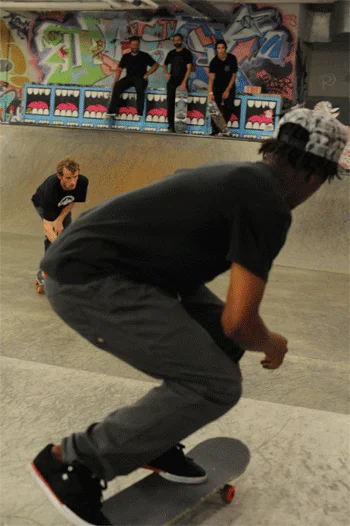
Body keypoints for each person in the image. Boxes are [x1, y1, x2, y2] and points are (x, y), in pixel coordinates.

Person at [30, 104, 347, 526]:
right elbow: (241, 320)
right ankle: (73, 463)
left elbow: (229, 328)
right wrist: (273, 342)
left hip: (128, 268)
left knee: (222, 342)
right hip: (88, 279)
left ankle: (150, 441)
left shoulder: (237, 178)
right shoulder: (267, 202)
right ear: (314, 175)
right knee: (215, 384)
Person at [31, 157, 89, 288]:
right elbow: (47, 226)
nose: (73, 182)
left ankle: (63, 268)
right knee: (52, 237)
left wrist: (60, 219)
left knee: (65, 232)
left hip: (63, 205)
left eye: (75, 177)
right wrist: (60, 245)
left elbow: (72, 200)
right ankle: (46, 271)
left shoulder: (82, 182)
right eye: (68, 178)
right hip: (44, 204)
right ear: (60, 176)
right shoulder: (52, 188)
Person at [106, 36, 159, 118]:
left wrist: (147, 74)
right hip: (129, 77)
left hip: (141, 78)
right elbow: (119, 70)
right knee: (117, 86)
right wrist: (115, 81)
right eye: (133, 44)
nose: (135, 46)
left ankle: (140, 112)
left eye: (136, 44)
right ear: (130, 45)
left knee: (139, 86)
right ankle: (111, 111)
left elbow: (155, 65)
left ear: (139, 45)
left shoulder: (144, 55)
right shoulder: (126, 56)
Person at [163, 33, 193, 133]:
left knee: (182, 104)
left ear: (182, 40)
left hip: (182, 81)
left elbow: (189, 69)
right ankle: (171, 125)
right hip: (172, 81)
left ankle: (181, 127)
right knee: (170, 103)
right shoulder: (171, 53)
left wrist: (184, 82)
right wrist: (166, 73)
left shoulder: (187, 53)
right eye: (175, 40)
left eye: (178, 40)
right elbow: (164, 64)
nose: (176, 42)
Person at [208, 40, 238, 135]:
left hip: (229, 87)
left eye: (222, 48)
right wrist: (210, 93)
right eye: (218, 48)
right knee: (215, 108)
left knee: (229, 106)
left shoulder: (232, 58)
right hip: (217, 87)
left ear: (225, 48)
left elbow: (233, 75)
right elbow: (211, 79)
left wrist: (227, 90)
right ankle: (214, 130)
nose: (220, 50)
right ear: (216, 50)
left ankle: (222, 127)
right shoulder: (214, 62)